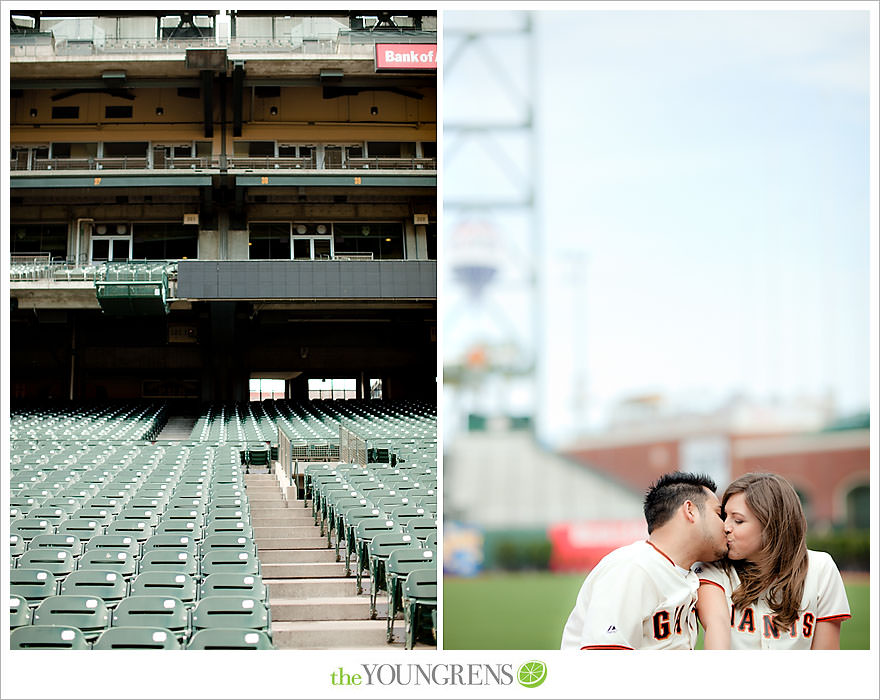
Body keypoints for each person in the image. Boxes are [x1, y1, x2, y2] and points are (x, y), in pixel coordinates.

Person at [560, 471, 728, 650]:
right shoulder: (633, 566)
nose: (726, 525)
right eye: (719, 514)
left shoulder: (686, 573)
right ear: (690, 510)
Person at [695, 472, 851, 649]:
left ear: (771, 525)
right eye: (724, 517)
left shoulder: (820, 567)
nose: (726, 527)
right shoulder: (714, 569)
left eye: (738, 520)